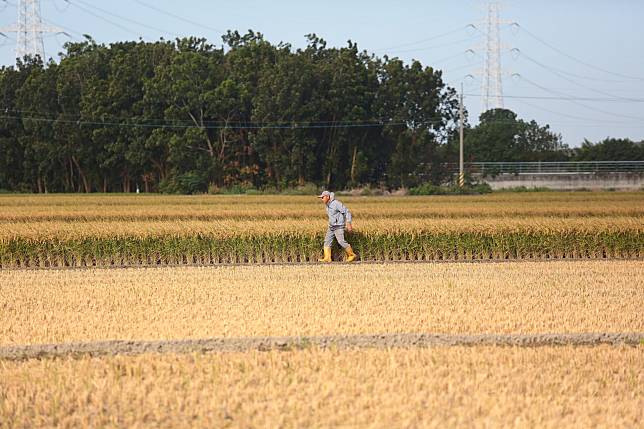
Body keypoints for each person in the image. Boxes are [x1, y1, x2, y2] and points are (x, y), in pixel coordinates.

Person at [317, 191, 357, 263]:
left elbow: (346, 212)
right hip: (331, 227)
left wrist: (348, 223)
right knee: (327, 241)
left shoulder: (336, 203)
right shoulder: (328, 204)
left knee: (341, 241)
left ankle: (351, 255)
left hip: (338, 226)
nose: (321, 199)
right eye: (321, 198)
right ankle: (327, 258)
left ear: (327, 197)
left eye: (322, 197)